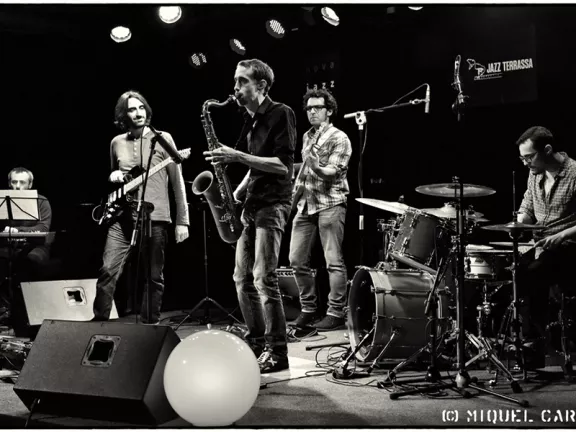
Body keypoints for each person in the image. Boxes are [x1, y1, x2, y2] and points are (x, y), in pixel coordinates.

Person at [203, 59, 296, 372]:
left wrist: (236, 155)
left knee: (263, 278)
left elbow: (283, 166)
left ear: (262, 85)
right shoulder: (251, 119)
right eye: (235, 81)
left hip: (273, 204)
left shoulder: (281, 113)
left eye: (242, 81)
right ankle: (256, 341)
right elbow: (255, 168)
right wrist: (234, 196)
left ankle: (277, 351)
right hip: (252, 204)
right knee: (241, 278)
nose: (235, 88)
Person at [92, 90, 190, 325]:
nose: (138, 113)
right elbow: (114, 179)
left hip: (155, 217)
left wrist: (182, 220)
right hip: (123, 217)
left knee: (153, 276)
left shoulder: (164, 138)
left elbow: (177, 182)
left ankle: (149, 326)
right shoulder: (116, 142)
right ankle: (99, 323)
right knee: (108, 271)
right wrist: (114, 175)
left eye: (141, 108)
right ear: (123, 115)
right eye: (131, 109)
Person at [289, 88, 352, 331]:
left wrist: (316, 167)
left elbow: (332, 173)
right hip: (306, 205)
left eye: (318, 107)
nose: (312, 111)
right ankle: (308, 309)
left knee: (333, 261)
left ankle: (335, 312)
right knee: (296, 260)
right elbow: (305, 171)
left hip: (330, 203)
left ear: (329, 111)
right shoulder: (307, 136)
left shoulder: (340, 138)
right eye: (309, 108)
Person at [515, 126, 576, 367]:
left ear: (548, 150)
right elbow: (527, 208)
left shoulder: (574, 173)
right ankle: (531, 345)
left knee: (533, 273)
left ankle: (537, 342)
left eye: (529, 157)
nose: (525, 163)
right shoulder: (535, 174)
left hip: (570, 246)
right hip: (541, 246)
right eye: (522, 158)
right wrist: (520, 222)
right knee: (515, 271)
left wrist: (562, 235)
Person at [0, 167, 52, 323]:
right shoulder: (2, 201)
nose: (17, 186)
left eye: (22, 182)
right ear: (9, 183)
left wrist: (18, 230)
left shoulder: (41, 201)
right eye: (14, 182)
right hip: (8, 246)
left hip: (34, 245)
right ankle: (4, 309)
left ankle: (28, 311)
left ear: (30, 185)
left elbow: (43, 228)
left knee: (31, 262)